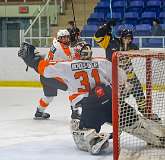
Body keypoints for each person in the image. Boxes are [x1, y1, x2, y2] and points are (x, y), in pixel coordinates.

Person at [18, 41, 165, 154]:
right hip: (113, 103)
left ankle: (93, 138)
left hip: (90, 107)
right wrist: (117, 89)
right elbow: (122, 77)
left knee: (79, 130)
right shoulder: (103, 62)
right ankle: (157, 136)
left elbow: (46, 70)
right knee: (134, 122)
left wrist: (33, 59)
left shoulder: (67, 65)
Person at [94, 22, 161, 121]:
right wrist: (106, 27)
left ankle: (144, 111)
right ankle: (117, 113)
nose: (128, 40)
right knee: (117, 99)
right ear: (121, 37)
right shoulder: (110, 42)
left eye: (130, 38)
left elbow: (140, 53)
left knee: (139, 94)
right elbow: (97, 37)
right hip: (115, 78)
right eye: (126, 38)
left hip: (130, 76)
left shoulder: (133, 46)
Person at [35, 29, 78, 120]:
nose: (66, 39)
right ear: (59, 39)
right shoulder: (61, 49)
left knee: (49, 95)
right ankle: (75, 112)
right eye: (63, 38)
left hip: (45, 74)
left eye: (67, 37)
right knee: (73, 87)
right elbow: (70, 61)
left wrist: (73, 42)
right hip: (52, 76)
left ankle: (39, 112)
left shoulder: (56, 44)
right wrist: (75, 45)